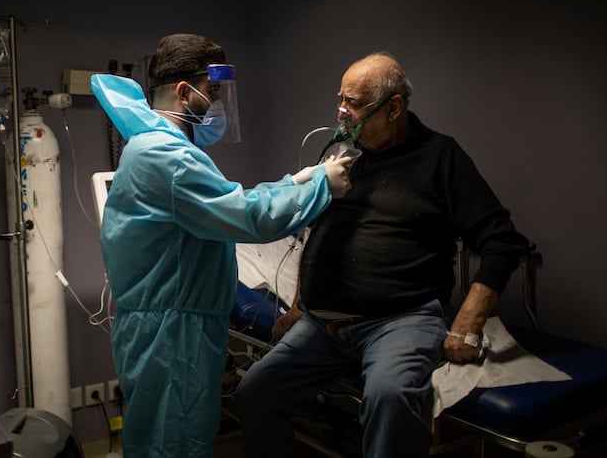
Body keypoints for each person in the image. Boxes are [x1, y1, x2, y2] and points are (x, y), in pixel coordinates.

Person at [236, 51, 529, 457]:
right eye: (340, 99)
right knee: (256, 391)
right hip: (323, 325)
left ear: (394, 108)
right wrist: (302, 303)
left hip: (400, 320)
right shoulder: (342, 155)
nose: (341, 113)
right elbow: (316, 230)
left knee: (390, 396)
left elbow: (502, 241)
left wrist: (469, 321)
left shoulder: (441, 158)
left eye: (353, 104)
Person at [89, 33, 353, 457]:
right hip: (174, 335)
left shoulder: (155, 146)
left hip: (168, 327)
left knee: (163, 440)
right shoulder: (166, 156)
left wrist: (295, 182)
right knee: (174, 446)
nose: (214, 104)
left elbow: (227, 200)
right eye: (211, 93)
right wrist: (321, 186)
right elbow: (247, 217)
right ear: (182, 91)